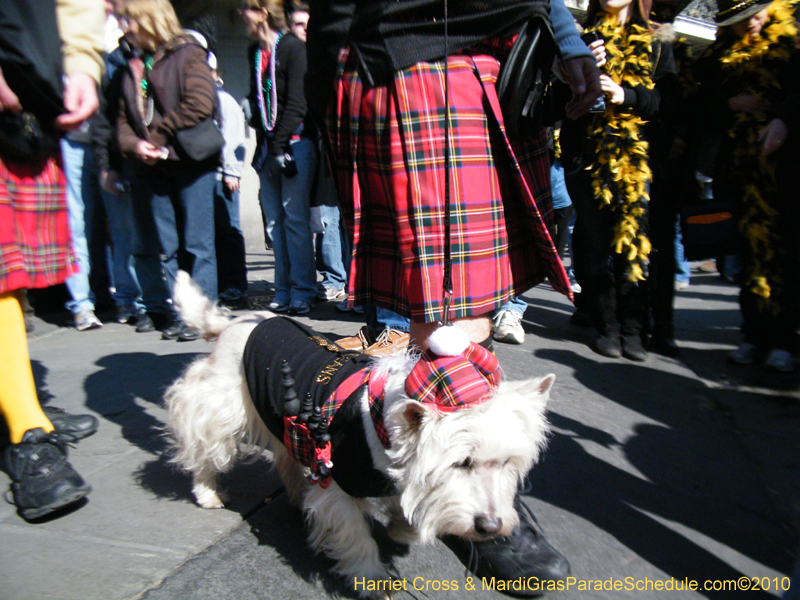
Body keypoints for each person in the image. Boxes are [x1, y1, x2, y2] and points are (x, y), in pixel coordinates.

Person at [306, 0, 602, 589]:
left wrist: (565, 37)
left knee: (475, 306)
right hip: (412, 51)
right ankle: (458, 498)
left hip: (496, 55)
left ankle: (469, 481)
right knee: (444, 309)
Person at [0, 0, 104, 520]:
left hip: (30, 88)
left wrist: (82, 61)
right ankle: (24, 428)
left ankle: (18, 405)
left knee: (9, 270)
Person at [559, 0, 677, 361]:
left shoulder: (657, 41)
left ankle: (633, 329)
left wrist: (627, 95)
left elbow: (668, 103)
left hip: (635, 162)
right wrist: (575, 70)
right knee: (595, 248)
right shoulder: (578, 36)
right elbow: (557, 99)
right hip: (588, 159)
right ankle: (606, 326)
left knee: (632, 248)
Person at [692, 0, 800, 371]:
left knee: (787, 255)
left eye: (756, 13)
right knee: (746, 254)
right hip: (739, 171)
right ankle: (754, 336)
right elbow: (698, 103)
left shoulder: (793, 42)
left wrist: (782, 117)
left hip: (786, 172)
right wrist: (732, 105)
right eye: (740, 20)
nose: (750, 23)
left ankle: (786, 340)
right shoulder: (720, 55)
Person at [116, 0, 221, 342]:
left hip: (192, 164)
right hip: (155, 167)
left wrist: (158, 135)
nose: (124, 26)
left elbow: (200, 103)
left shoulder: (187, 54)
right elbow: (121, 121)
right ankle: (180, 314)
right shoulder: (134, 64)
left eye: (128, 19)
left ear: (148, 18)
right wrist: (136, 145)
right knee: (168, 246)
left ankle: (202, 317)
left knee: (197, 244)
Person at [241, 0, 318, 316]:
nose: (241, 13)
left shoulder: (292, 49)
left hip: (294, 145)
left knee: (295, 221)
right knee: (275, 225)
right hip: (267, 148)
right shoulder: (255, 52)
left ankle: (302, 290)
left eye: (247, 7)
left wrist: (278, 146)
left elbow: (297, 103)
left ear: (262, 11)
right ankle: (283, 289)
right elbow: (260, 100)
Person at [209, 54, 249, 310]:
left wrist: (232, 171)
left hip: (222, 174)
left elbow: (235, 139)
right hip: (206, 176)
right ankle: (222, 284)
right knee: (213, 234)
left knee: (228, 230)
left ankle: (234, 285)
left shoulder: (223, 100)